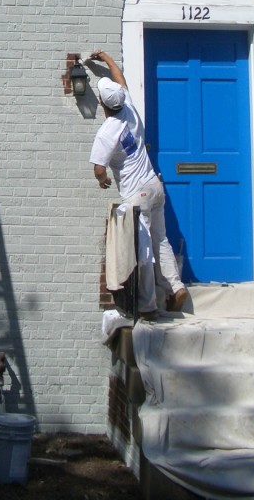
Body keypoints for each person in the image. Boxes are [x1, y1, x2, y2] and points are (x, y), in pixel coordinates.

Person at [87, 50, 189, 319]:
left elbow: (98, 166)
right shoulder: (129, 109)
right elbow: (120, 80)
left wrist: (103, 179)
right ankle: (176, 287)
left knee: (143, 252)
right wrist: (106, 59)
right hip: (154, 184)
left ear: (101, 103)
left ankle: (147, 306)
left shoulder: (108, 130)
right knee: (161, 239)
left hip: (137, 195)